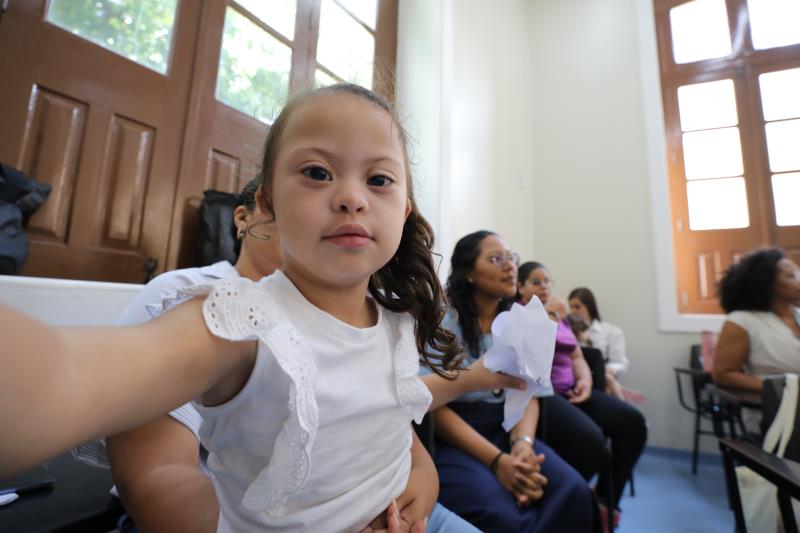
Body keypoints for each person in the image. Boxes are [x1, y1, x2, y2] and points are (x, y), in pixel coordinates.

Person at [0, 83, 519, 532]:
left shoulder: (394, 320)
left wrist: (423, 479)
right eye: (317, 172)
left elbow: (382, 421)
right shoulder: (242, 319)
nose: (351, 197)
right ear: (265, 204)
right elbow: (67, 374)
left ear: (403, 212)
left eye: (378, 179)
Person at [76, 178, 501, 532]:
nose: (340, 204)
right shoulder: (190, 298)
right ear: (250, 213)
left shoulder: (357, 312)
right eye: (312, 177)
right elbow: (160, 477)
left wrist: (421, 485)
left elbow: (393, 432)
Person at [430, 230, 598, 533]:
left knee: (574, 492)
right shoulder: (442, 321)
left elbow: (529, 393)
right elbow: (432, 405)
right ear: (468, 272)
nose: (510, 266)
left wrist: (522, 446)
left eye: (511, 258)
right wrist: (497, 461)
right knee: (504, 516)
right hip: (456, 435)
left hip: (507, 427)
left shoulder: (525, 321)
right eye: (496, 259)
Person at [517, 261, 647, 526]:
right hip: (544, 395)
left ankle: (605, 502)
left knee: (633, 424)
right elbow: (533, 350)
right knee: (592, 442)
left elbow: (577, 355)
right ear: (520, 287)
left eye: (548, 281)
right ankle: (570, 500)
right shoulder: (518, 315)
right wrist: (551, 314)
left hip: (573, 391)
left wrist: (586, 381)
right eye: (536, 282)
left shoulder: (561, 317)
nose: (544, 287)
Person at [712, 248, 800, 394]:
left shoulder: (797, 315)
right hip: (778, 405)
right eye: (791, 276)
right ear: (767, 283)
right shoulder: (742, 321)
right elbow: (723, 376)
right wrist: (783, 391)